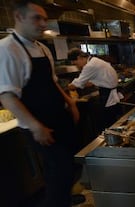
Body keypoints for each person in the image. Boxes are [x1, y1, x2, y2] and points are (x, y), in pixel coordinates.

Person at [0, 1, 80, 206]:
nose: (43, 23)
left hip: (59, 118)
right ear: (19, 17)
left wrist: (69, 102)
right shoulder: (7, 49)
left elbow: (52, 82)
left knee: (68, 167)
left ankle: (65, 199)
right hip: (39, 123)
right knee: (60, 169)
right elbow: (7, 95)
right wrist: (36, 126)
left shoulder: (42, 48)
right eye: (37, 18)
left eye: (45, 18)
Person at [67, 48, 122, 129]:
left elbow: (76, 84)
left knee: (108, 122)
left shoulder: (90, 65)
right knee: (112, 120)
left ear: (79, 57)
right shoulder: (94, 60)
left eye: (76, 63)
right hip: (110, 92)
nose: (77, 66)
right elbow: (90, 82)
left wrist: (65, 88)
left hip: (108, 95)